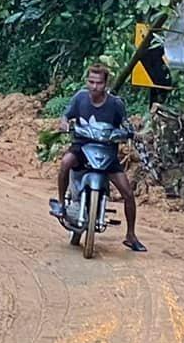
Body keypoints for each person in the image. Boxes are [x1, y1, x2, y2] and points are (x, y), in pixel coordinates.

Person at [55, 61, 143, 252]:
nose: (94, 87)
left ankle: (131, 235)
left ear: (106, 84)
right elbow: (66, 116)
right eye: (91, 82)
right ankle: (61, 204)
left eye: (99, 83)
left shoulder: (116, 104)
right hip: (82, 147)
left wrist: (130, 132)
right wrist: (63, 123)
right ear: (87, 81)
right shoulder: (80, 98)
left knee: (127, 192)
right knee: (65, 163)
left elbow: (125, 124)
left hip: (107, 153)